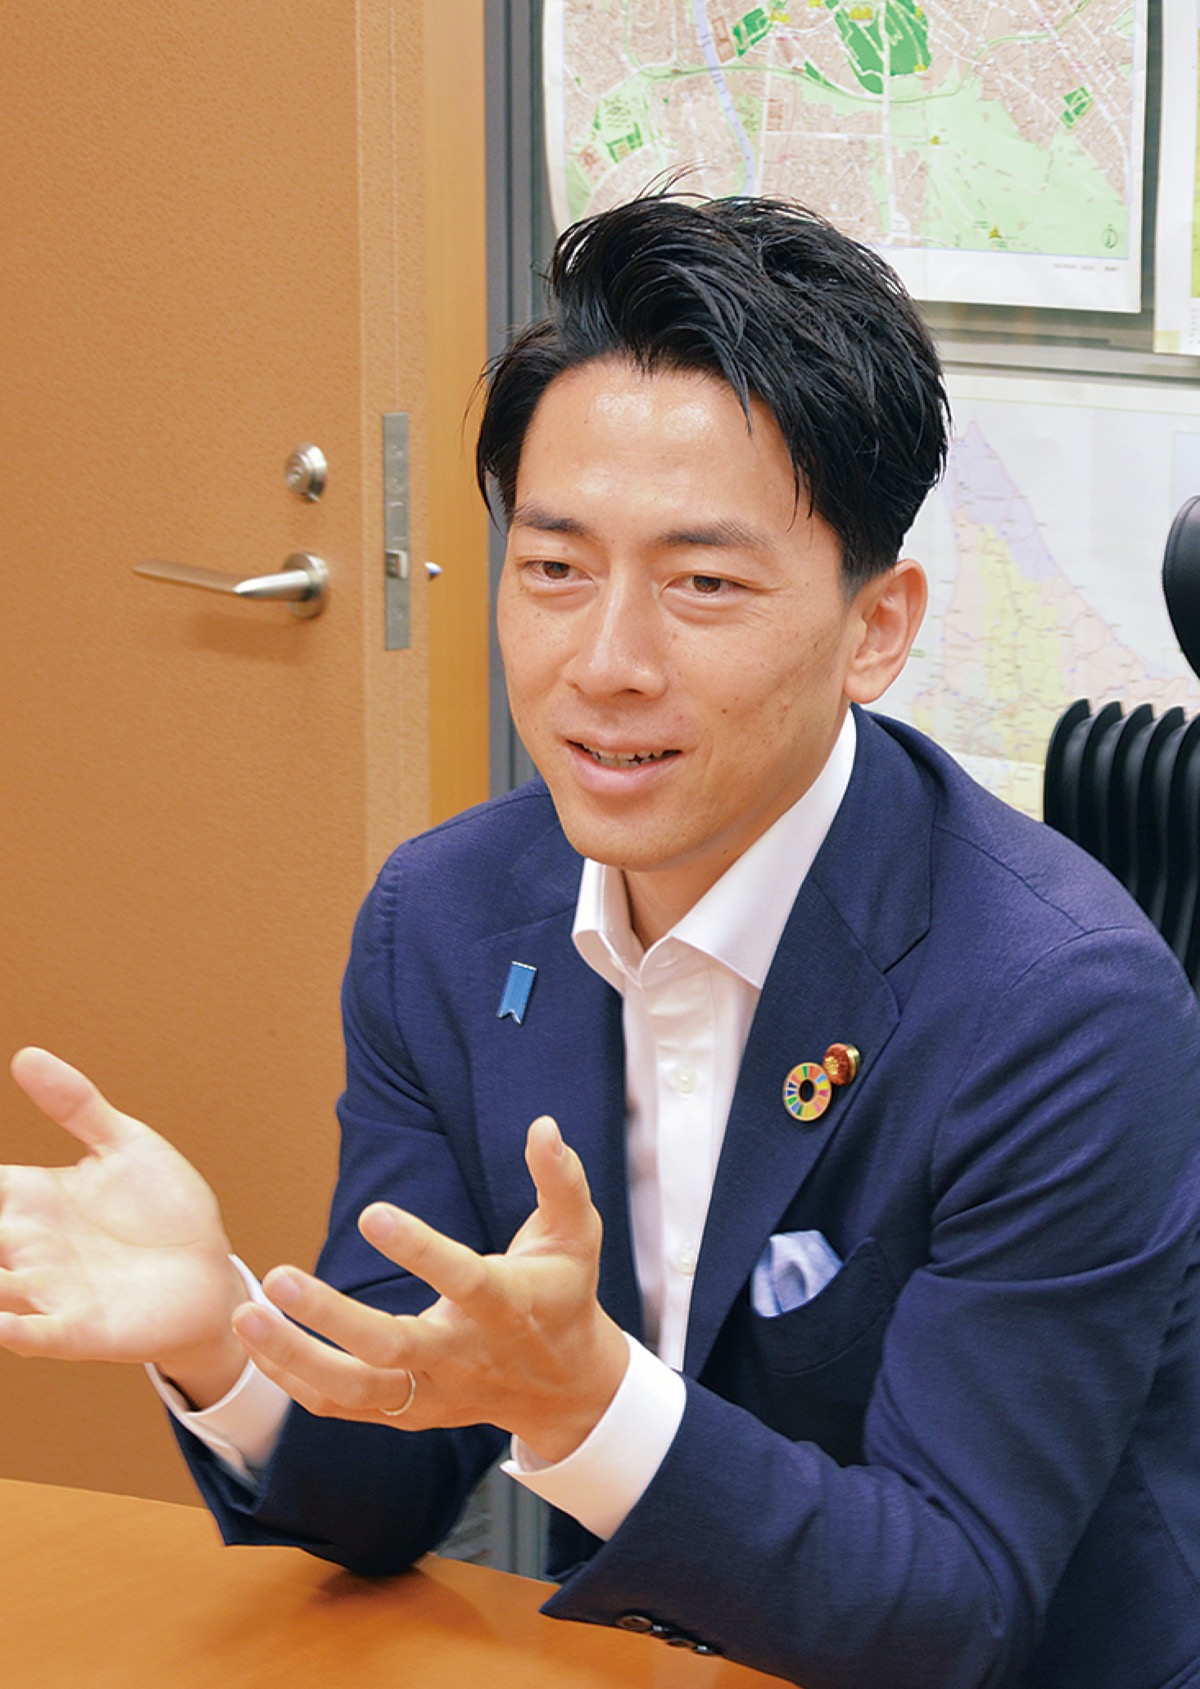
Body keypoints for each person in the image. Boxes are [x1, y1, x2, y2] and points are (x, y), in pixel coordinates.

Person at [3, 196, 1200, 1689]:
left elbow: (951, 1611)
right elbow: (387, 1485)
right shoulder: (445, 920)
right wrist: (217, 1338)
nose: (606, 663)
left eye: (704, 584)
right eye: (555, 569)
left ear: (876, 628)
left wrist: (589, 1407)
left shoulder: (1061, 1004)